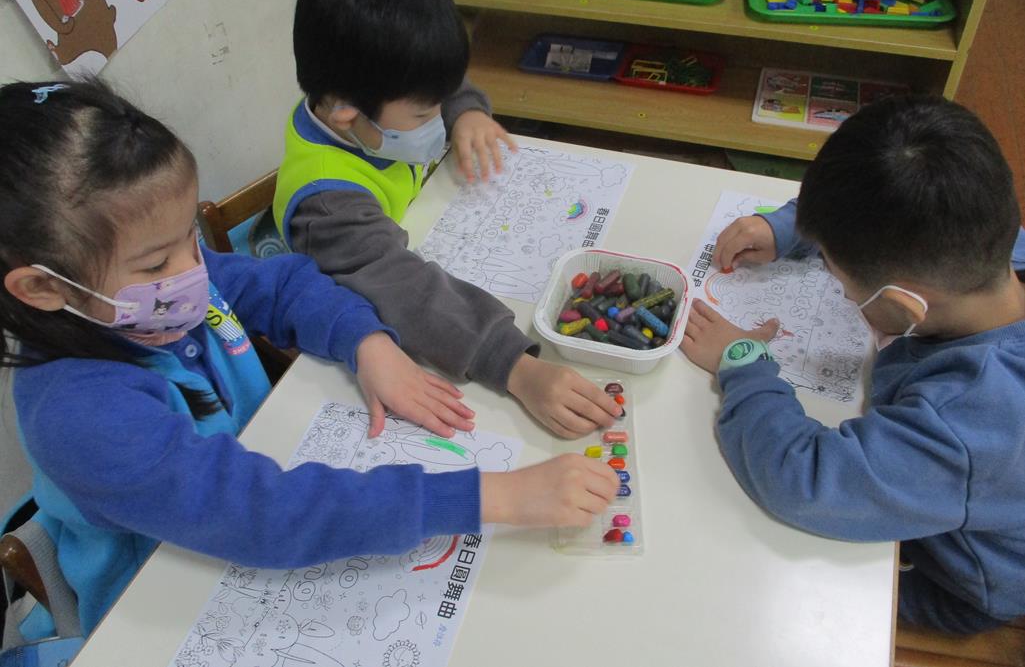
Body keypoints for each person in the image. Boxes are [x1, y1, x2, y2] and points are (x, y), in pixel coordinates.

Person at [0, 80, 620, 644]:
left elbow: (285, 285)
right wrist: (490, 495)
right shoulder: (78, 414)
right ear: (43, 288)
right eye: (158, 263)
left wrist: (366, 342)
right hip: (157, 598)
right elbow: (261, 513)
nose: (195, 270)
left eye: (192, 237)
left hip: (247, 492)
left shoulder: (157, 292)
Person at [681, 95, 1025, 633]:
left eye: (841, 284)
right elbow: (895, 209)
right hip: (974, 493)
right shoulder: (989, 243)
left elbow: (804, 479)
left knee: (788, 580)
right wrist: (790, 229)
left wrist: (742, 361)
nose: (840, 290)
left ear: (907, 306)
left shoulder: (970, 422)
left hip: (964, 579)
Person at [274, 0, 622, 440]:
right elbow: (409, 294)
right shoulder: (328, 208)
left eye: (441, 104)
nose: (438, 118)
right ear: (348, 113)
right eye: (425, 115)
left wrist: (468, 112)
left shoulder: (361, 89)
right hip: (359, 331)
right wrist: (515, 367)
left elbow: (438, 80)